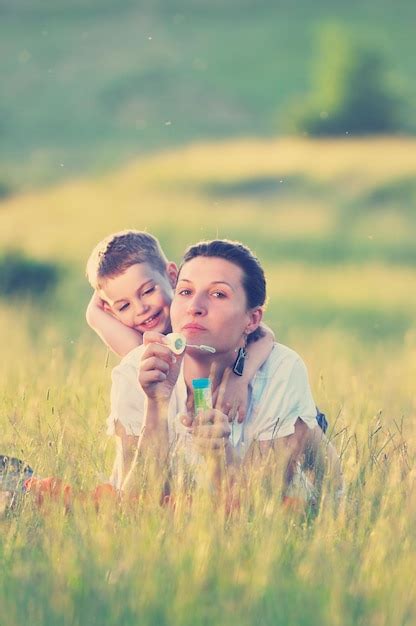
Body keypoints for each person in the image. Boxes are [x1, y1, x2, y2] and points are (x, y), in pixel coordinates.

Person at [109, 239, 342, 506]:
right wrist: (156, 404)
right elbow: (134, 505)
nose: (194, 306)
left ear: (252, 320)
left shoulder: (281, 371)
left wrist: (220, 456)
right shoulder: (136, 370)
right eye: (185, 292)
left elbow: (259, 506)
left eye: (218, 294)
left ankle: (312, 425)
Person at [85, 230, 275, 484]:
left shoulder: (195, 315)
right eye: (123, 306)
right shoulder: (143, 349)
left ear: (172, 276)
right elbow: (94, 316)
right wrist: (95, 311)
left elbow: (264, 336)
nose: (142, 309)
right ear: (111, 310)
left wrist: (238, 381)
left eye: (148, 291)